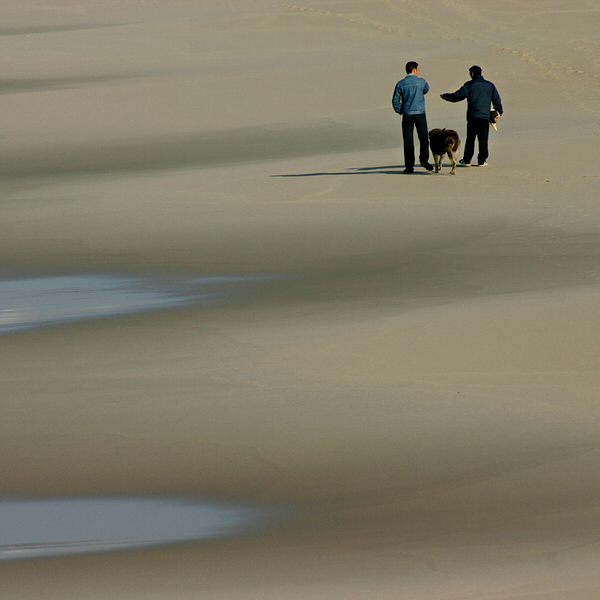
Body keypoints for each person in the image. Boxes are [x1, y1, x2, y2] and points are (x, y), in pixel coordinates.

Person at [440, 65, 503, 166]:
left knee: (470, 139)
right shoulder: (490, 85)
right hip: (484, 117)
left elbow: (457, 96)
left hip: (473, 117)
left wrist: (445, 96)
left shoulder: (470, 85)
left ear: (472, 74)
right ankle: (482, 160)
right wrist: (499, 112)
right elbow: (497, 100)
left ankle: (467, 160)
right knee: (483, 140)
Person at [392, 61, 434, 174]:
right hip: (420, 113)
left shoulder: (401, 83)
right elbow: (426, 90)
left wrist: (400, 110)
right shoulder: (421, 81)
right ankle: (424, 160)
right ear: (414, 70)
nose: (419, 72)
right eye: (418, 70)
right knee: (424, 138)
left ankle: (409, 166)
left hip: (407, 114)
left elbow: (395, 100)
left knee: (408, 140)